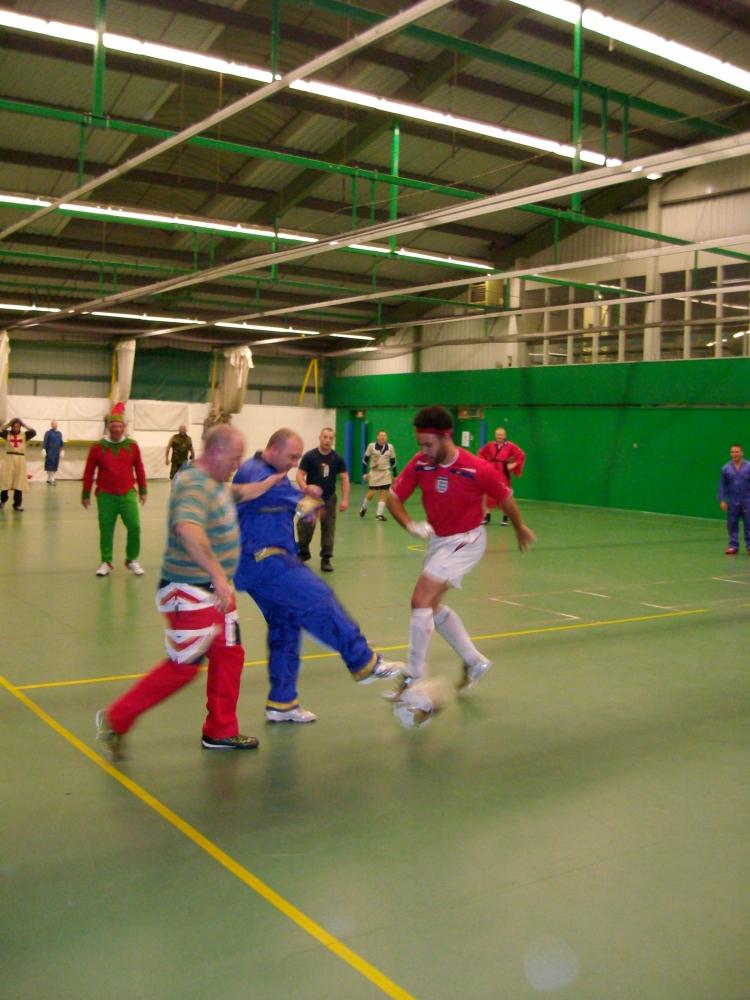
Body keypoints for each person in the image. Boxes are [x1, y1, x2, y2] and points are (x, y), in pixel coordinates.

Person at [95, 425, 259, 761]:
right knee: (182, 667)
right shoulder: (192, 483)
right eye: (234, 458)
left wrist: (276, 483)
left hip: (215, 591)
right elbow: (186, 527)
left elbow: (236, 493)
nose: (236, 464)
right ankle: (117, 717)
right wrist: (218, 573)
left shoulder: (213, 482)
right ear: (215, 452)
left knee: (230, 653)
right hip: (190, 590)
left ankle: (220, 730)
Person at [232, 428, 404, 723]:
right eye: (292, 456)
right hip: (267, 563)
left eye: (298, 457)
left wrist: (306, 503)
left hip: (261, 566)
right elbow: (288, 498)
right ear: (273, 448)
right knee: (320, 598)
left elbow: (293, 505)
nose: (295, 462)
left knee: (285, 628)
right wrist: (307, 498)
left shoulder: (273, 473)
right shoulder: (255, 471)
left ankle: (281, 703)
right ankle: (363, 661)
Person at [386, 406, 535, 724]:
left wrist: (520, 527)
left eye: (428, 444)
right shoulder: (421, 463)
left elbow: (505, 497)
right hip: (440, 541)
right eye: (420, 444)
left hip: (467, 540)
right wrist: (411, 525)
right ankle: (473, 660)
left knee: (420, 600)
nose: (423, 451)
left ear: (446, 437)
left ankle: (415, 676)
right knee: (433, 608)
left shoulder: (476, 468)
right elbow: (392, 498)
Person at [82, 402, 148, 577]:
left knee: (134, 526)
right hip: (105, 495)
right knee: (106, 528)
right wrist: (85, 493)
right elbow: (89, 471)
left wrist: (143, 490)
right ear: (109, 426)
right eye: (114, 425)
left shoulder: (132, 446)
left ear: (124, 427)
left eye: (120, 425)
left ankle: (132, 559)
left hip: (127, 494)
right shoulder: (97, 447)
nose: (117, 429)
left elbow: (139, 468)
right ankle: (106, 561)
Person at [296, 427, 350, 572]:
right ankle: (303, 552)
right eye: (325, 437)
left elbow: (344, 478)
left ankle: (326, 558)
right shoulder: (309, 456)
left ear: (333, 440)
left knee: (328, 528)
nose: (327, 440)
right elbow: (300, 474)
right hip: (310, 498)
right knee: (304, 526)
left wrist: (345, 499)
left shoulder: (337, 459)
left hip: (329, 499)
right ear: (320, 437)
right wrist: (305, 487)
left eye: (330, 438)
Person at [478, 426, 526, 525]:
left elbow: (521, 455)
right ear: (495, 435)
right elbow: (481, 453)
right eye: (498, 435)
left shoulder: (510, 446)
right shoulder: (490, 445)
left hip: (503, 472)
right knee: (488, 493)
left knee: (504, 494)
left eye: (501, 435)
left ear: (505, 436)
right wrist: (485, 463)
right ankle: (487, 516)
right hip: (492, 471)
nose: (499, 436)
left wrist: (514, 464)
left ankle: (505, 517)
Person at [719, 443, 750, 555]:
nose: (734, 454)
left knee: (749, 523)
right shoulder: (726, 468)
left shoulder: (749, 466)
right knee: (732, 523)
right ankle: (733, 545)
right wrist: (722, 499)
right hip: (732, 500)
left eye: (736, 452)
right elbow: (722, 485)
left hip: (748, 500)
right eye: (732, 452)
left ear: (742, 453)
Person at [359, 430, 397, 521]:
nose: (383, 437)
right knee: (372, 492)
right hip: (374, 472)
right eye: (381, 435)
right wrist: (364, 473)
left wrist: (395, 475)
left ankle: (379, 515)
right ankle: (364, 507)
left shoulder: (390, 447)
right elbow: (365, 460)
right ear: (377, 437)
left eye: (384, 435)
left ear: (386, 437)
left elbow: (393, 461)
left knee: (384, 492)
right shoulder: (371, 446)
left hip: (385, 473)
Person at [0, 417, 36, 511]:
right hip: (9, 459)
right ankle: (3, 501)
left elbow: (33, 432)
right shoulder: (7, 434)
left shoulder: (24, 435)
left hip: (20, 460)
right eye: (14, 426)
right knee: (5, 481)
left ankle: (17, 504)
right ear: (12, 427)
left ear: (20, 427)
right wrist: (8, 424)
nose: (16, 428)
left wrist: (23, 424)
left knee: (19, 482)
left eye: (18, 426)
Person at [42, 420, 64, 485]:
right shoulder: (48, 432)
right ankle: (52, 479)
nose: (55, 425)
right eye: (53, 424)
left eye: (56, 424)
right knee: (50, 465)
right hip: (50, 451)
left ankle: (49, 479)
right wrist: (43, 449)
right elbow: (45, 441)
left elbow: (61, 442)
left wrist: (62, 450)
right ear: (51, 425)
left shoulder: (59, 433)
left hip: (57, 452)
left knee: (55, 465)